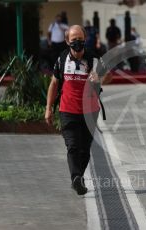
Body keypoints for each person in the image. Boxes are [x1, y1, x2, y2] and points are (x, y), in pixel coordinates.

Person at [45, 25, 110, 196]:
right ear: (67, 41)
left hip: (90, 112)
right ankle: (76, 178)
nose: (77, 43)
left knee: (84, 150)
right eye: (73, 40)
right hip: (67, 110)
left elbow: (110, 75)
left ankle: (77, 178)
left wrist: (100, 77)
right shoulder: (61, 59)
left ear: (85, 39)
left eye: (80, 39)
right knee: (73, 146)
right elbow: (54, 84)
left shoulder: (94, 60)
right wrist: (48, 109)